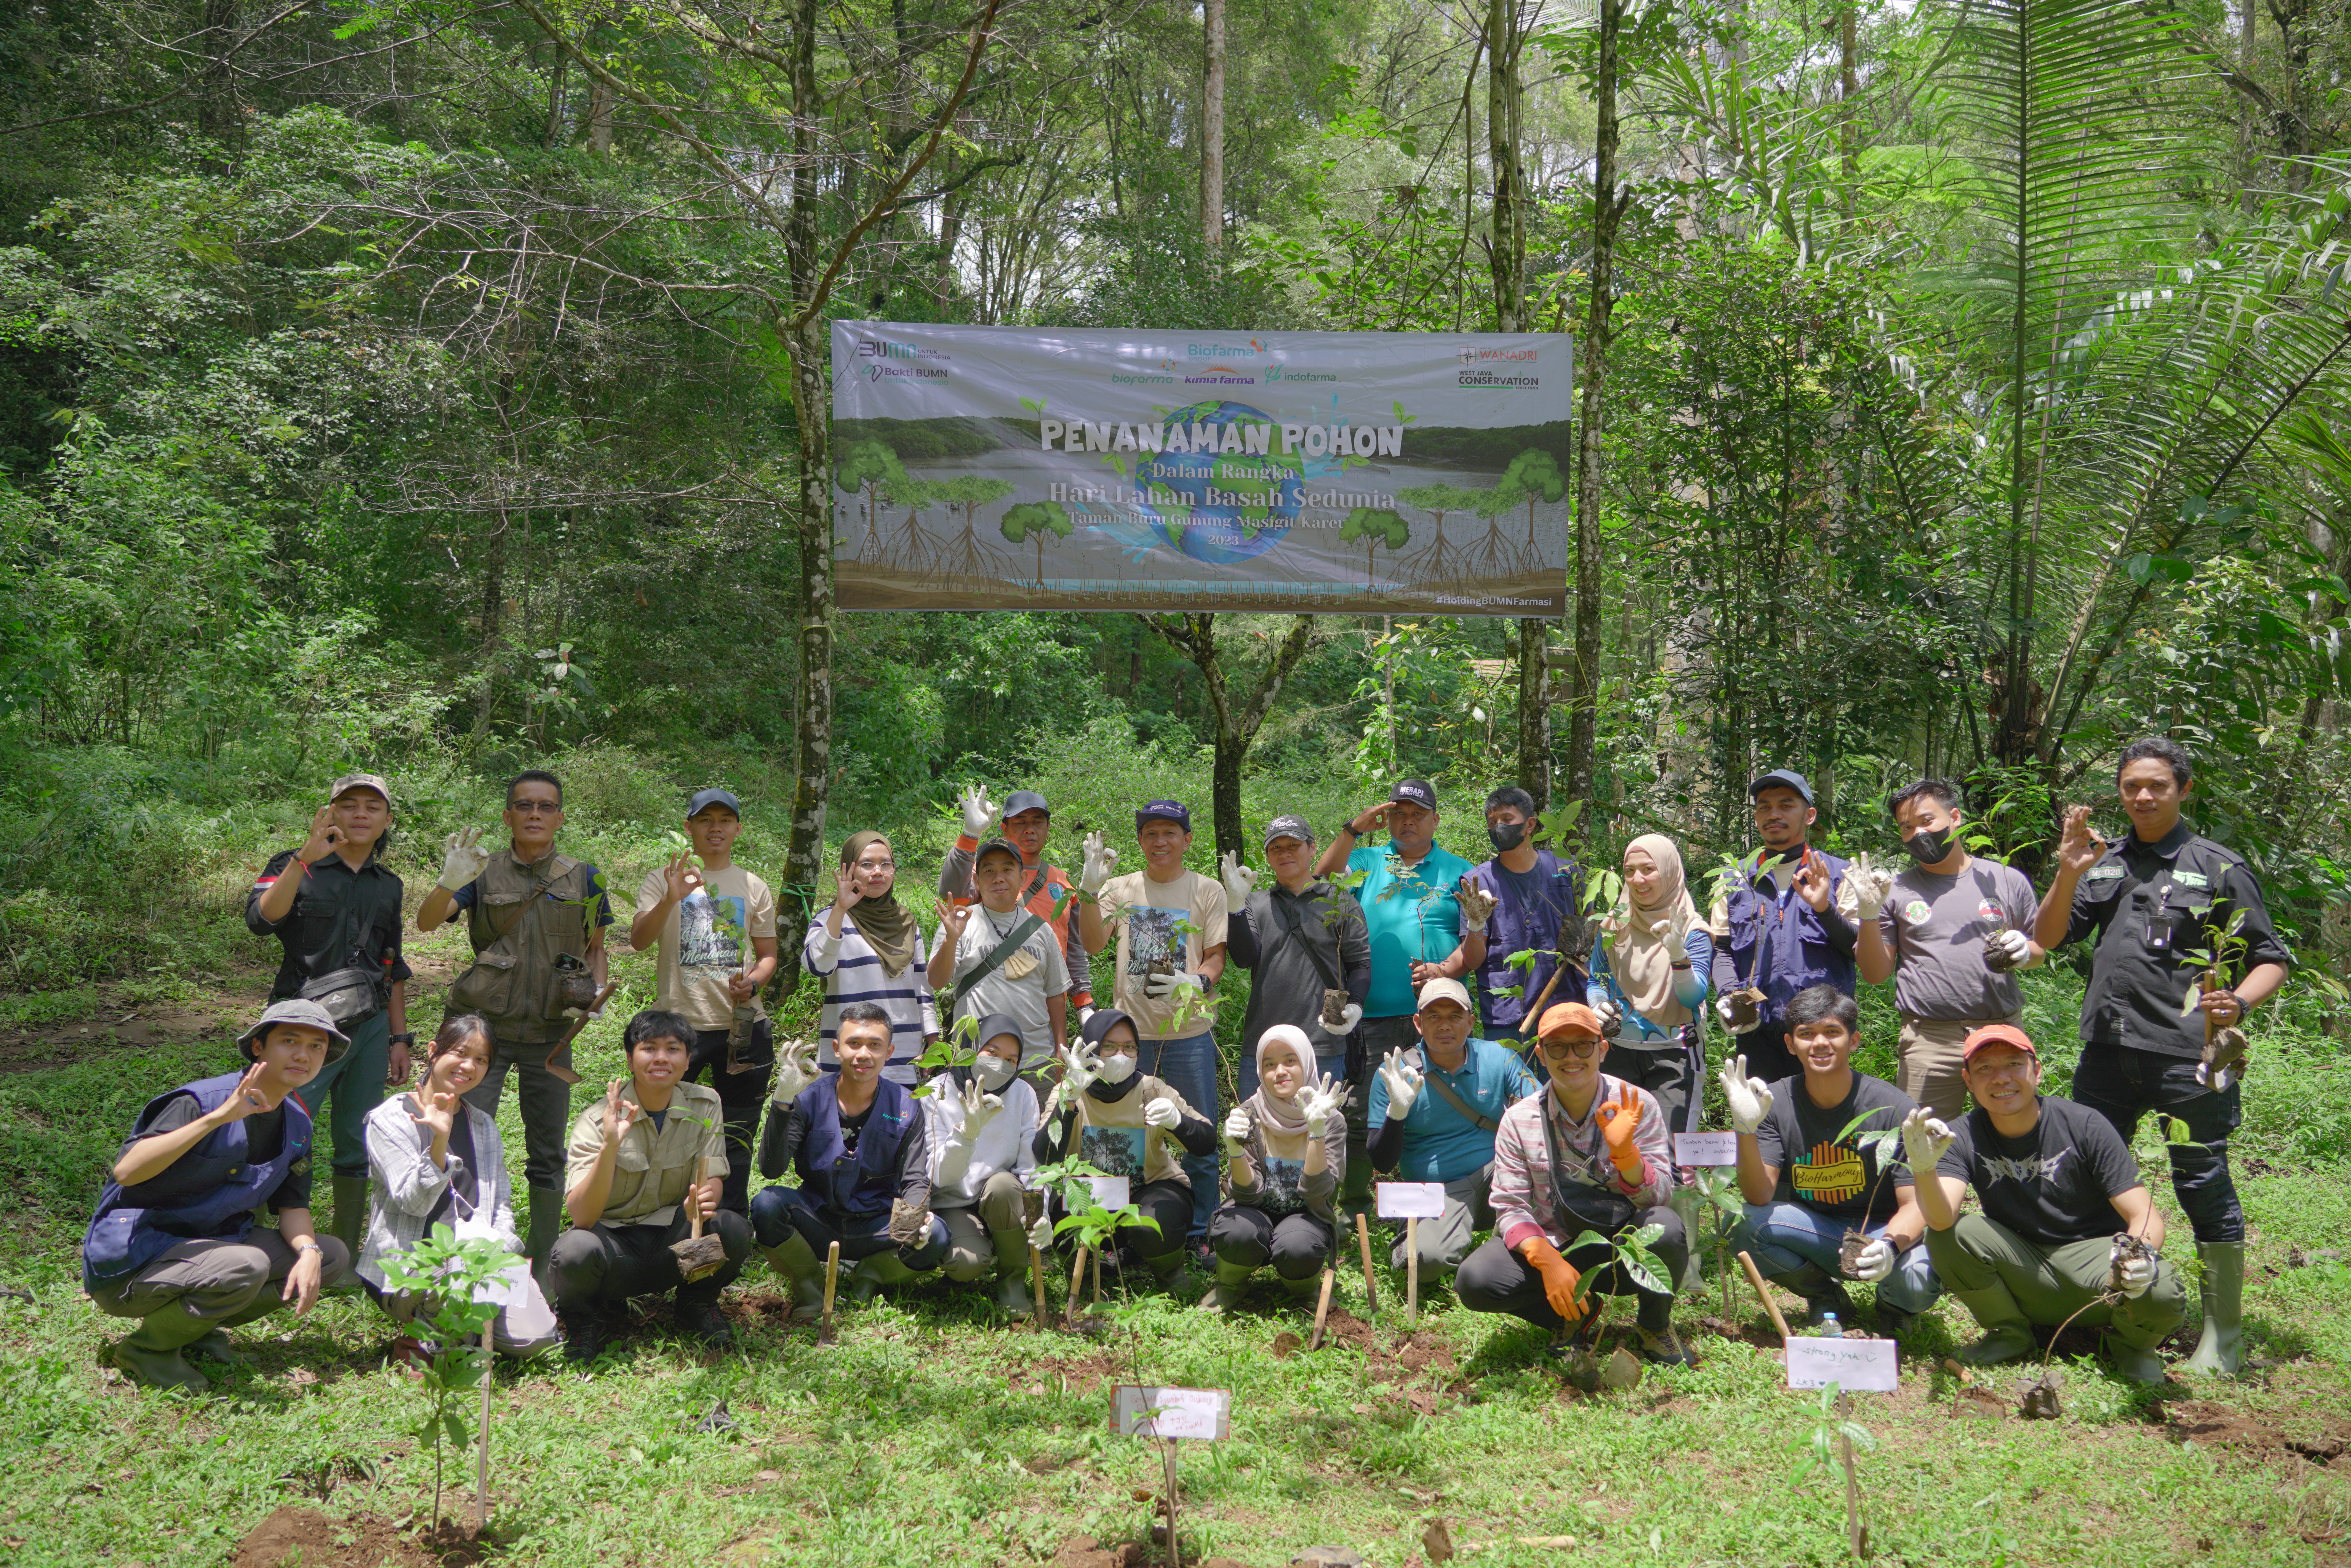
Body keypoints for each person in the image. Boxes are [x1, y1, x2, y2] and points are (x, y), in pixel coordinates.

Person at [2030, 737, 2292, 1376]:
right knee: (2085, 1176)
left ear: (2183, 790)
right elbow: (2048, 937)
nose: (2142, 797)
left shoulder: (2219, 866)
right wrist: (2067, 869)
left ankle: (2221, 1337)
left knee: (2200, 1179)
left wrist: (2239, 1004)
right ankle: (2089, 1308)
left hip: (2188, 1057)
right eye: (2130, 787)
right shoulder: (2104, 862)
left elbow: (2271, 958)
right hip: (2107, 1053)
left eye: (2156, 786)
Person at [82, 1000, 354, 1391]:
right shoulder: (201, 1102)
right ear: (259, 1047)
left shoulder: (297, 1123)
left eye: (317, 1047)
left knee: (330, 1257)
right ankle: (147, 1351)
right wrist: (218, 1120)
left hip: (213, 1248)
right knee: (247, 1265)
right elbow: (127, 1171)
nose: (303, 1054)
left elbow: (293, 1205)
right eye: (290, 1041)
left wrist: (310, 1254)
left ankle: (195, 1329)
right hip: (135, 1260)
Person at [1905, 1024, 2186, 1384]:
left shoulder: (2084, 1124)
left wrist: (2138, 1258)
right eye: (1984, 1069)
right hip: (2023, 1265)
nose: (2000, 1078)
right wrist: (1924, 1169)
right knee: (1950, 1235)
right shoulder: (1960, 1135)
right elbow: (1941, 1219)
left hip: (2097, 1269)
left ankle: (2132, 1347)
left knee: (2161, 1287)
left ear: (2036, 1071)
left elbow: (2144, 1217)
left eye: (2013, 1064)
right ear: (1968, 1081)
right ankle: (2010, 1335)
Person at [418, 770, 614, 1280]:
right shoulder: (482, 872)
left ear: (560, 817)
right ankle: (460, 1249)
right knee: (461, 1137)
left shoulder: (585, 877)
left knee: (548, 1151)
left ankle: (546, 1263)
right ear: (508, 816)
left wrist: (594, 993)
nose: (534, 814)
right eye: (524, 806)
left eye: (546, 807)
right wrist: (449, 879)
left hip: (551, 1034)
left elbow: (596, 949)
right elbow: (425, 922)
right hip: (485, 1033)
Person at [1457, 1002, 1695, 1365]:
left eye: (1582, 1045)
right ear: (1540, 1054)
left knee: (1666, 1227)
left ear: (1602, 1049)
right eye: (1558, 1047)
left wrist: (1627, 1155)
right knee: (1476, 1281)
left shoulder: (1636, 1105)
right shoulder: (1519, 1120)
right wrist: (1545, 1259)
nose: (1571, 1057)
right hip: (1555, 1243)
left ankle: (1653, 1325)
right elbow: (1510, 1206)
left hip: (1622, 1246)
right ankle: (1573, 1314)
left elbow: (1660, 1196)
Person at [244, 772, 414, 1262]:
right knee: (277, 1124)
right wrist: (304, 860)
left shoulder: (389, 885)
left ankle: (341, 1248)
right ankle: (250, 1235)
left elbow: (393, 963)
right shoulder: (295, 864)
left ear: (386, 821)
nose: (361, 814)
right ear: (331, 812)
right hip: (301, 1024)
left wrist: (399, 1036)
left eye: (373, 807)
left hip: (369, 1025)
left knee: (356, 1135)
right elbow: (261, 919)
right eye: (350, 804)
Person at [1722, 985, 1939, 1341]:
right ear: (1791, 1045)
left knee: (1920, 1273)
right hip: (1817, 1230)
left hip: (1881, 1232)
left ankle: (1893, 1307)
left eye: (1832, 1032)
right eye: (1806, 1035)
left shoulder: (1892, 1107)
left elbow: (1915, 1204)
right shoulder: (1774, 1102)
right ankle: (1825, 1296)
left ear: (1852, 1041)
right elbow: (1758, 1195)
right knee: (1744, 1224)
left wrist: (1889, 1246)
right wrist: (1745, 1129)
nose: (1819, 1044)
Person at [550, 1009, 750, 1361]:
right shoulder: (597, 1121)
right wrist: (611, 1146)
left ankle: (696, 1305)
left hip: (673, 1247)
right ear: (630, 1059)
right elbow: (582, 1217)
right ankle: (585, 1320)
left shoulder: (705, 1103)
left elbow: (713, 1176)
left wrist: (700, 1205)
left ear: (688, 1060)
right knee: (573, 1252)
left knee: (731, 1227)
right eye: (649, 1048)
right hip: (613, 1253)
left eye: (673, 1049)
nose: (661, 1058)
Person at [357, 1012, 559, 1360]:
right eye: (461, 1053)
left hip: (480, 1256)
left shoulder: (482, 1125)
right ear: (434, 1051)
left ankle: (455, 1336)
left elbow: (501, 1208)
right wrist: (439, 1141)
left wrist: (499, 1249)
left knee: (536, 1341)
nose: (469, 1066)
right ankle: (429, 1341)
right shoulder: (389, 1119)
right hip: (411, 1263)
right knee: (457, 1273)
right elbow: (413, 1203)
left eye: (481, 1060)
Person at [1077, 800, 1228, 1250]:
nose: (1160, 842)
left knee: (1197, 1134)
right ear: (1141, 840)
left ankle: (1203, 1232)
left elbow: (1217, 956)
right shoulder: (1121, 888)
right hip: (1131, 1041)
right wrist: (1089, 891)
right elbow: (1091, 942)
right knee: (1122, 1137)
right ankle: (1119, 1234)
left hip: (1190, 1036)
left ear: (1187, 839)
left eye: (1170, 833)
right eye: (1151, 834)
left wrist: (1196, 980)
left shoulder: (1207, 890)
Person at [1853, 777, 2044, 1121]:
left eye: (1927, 821)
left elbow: (2039, 950)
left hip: (2001, 1032)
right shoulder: (1893, 891)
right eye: (1906, 828)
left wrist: (2026, 952)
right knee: (1924, 1142)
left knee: (2013, 1131)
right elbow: (1875, 973)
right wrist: (1868, 915)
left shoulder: (2003, 878)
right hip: (1929, 1040)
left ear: (1955, 817)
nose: (1918, 834)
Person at [629, 788, 779, 1215]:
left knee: (736, 1131)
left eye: (725, 820)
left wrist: (752, 982)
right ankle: (668, 1216)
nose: (716, 828)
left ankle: (730, 1221)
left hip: (741, 1029)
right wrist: (671, 898)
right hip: (679, 1029)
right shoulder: (664, 879)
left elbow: (768, 956)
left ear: (738, 829)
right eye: (706, 820)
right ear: (689, 827)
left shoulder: (753, 886)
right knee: (669, 1128)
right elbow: (639, 941)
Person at [751, 1003, 949, 1318]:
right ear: (836, 1048)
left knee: (937, 1236)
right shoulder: (809, 1097)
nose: (863, 1054)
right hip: (818, 1219)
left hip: (877, 1226)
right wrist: (783, 1100)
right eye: (854, 1043)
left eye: (875, 1045)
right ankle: (809, 1284)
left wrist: (916, 1221)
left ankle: (870, 1275)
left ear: (889, 1051)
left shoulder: (906, 1107)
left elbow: (914, 1180)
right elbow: (771, 1169)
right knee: (766, 1205)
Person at [1316, 780, 1484, 1113]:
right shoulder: (1367, 860)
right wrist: (1353, 830)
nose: (1407, 821)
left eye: (1418, 814)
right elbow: (1322, 883)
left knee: (1439, 1110)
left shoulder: (1461, 871)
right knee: (1362, 1113)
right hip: (1369, 1017)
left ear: (1435, 821)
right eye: (1400, 814)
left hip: (1438, 1013)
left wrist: (1441, 970)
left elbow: (1473, 947)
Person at [1222, 816, 1368, 1197]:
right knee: (1256, 1135)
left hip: (1323, 1042)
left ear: (1311, 848)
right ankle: (1260, 1211)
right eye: (1276, 848)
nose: (1285, 854)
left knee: (1321, 1132)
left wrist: (1355, 1007)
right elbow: (1242, 957)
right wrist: (1235, 906)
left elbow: (1360, 964)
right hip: (1264, 1048)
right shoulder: (1255, 903)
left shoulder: (1341, 902)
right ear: (1267, 857)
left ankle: (1319, 1219)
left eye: (1293, 845)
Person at [1363, 978, 1539, 1277]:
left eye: (1455, 1016)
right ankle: (1417, 1235)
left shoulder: (1499, 1057)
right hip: (1437, 1190)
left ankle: (1500, 1243)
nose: (1445, 1025)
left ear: (1471, 1022)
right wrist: (1397, 1112)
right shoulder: (1395, 1074)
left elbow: (1542, 1114)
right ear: (1418, 1023)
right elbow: (1381, 1161)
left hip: (1497, 1174)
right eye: (1434, 1016)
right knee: (1426, 1263)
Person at [1033, 1008, 1217, 1287]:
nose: (1121, 1055)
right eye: (1109, 1046)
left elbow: (1206, 1144)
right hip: (1089, 1195)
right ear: (1091, 1050)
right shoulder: (1070, 1091)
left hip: (1150, 1190)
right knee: (1064, 1219)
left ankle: (1169, 1271)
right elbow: (1045, 1155)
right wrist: (1069, 1100)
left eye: (1130, 1047)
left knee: (1153, 1225)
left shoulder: (1151, 1090)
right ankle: (1088, 1274)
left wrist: (1178, 1122)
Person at [1709, 769, 1854, 1086]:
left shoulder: (1840, 874)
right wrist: (1726, 995)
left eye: (1786, 805)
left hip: (1821, 1034)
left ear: (1809, 815)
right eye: (1764, 807)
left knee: (1822, 1127)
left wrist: (1823, 908)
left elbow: (1854, 945)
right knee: (1763, 1126)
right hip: (1756, 1032)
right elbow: (1721, 950)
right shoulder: (1733, 878)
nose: (1773, 814)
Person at [1202, 1025, 1348, 1312]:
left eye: (1290, 1061)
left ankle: (1303, 1290)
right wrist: (1234, 1150)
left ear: (1306, 1063)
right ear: (1259, 1071)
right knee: (1235, 1231)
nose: (1280, 1071)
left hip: (1306, 1217)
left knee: (1299, 1245)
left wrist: (1316, 1134)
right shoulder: (1249, 1115)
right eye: (1270, 1065)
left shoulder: (1329, 1120)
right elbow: (1247, 1195)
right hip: (1254, 1212)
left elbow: (1318, 1195)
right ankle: (1230, 1286)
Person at [1585, 833, 1714, 1135]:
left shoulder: (1691, 929)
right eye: (1629, 871)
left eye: (1648, 869)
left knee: (1671, 1155)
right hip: (1616, 1051)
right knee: (1617, 1150)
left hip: (1675, 1053)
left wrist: (1676, 954)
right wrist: (1596, 1004)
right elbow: (1597, 978)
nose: (1637, 879)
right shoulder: (1614, 924)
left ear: (1669, 871)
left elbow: (1692, 997)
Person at [924, 1013, 1054, 1313]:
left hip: (1000, 1197)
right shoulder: (936, 1093)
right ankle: (974, 1251)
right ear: (970, 1048)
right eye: (992, 1053)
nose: (1000, 1065)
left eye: (1011, 1060)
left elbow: (1029, 1165)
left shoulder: (1022, 1093)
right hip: (953, 1200)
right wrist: (967, 1135)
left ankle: (1012, 1280)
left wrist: (1041, 1213)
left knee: (1004, 1186)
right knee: (965, 1265)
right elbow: (940, 1175)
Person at [937, 786, 1093, 1019]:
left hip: (1046, 1008)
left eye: (1037, 822)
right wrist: (970, 836)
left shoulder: (1064, 883)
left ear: (1048, 829)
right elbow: (953, 894)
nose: (1030, 830)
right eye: (1020, 822)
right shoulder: (986, 877)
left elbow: (1073, 949)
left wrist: (1084, 1004)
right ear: (1004, 828)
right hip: (989, 1007)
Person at [931, 838, 1071, 1089]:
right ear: (977, 880)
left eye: (1007, 870)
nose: (999, 878)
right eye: (989, 871)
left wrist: (1061, 1050)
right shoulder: (960, 924)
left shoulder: (1041, 930)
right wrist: (951, 939)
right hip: (975, 1059)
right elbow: (937, 981)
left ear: (1023, 879)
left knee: (1036, 1129)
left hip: (1036, 1062)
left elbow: (1055, 994)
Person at [809, 830, 938, 1086]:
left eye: (886, 864)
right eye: (867, 864)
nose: (878, 872)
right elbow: (818, 966)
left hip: (902, 1053)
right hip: (849, 1054)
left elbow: (923, 987)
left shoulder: (907, 923)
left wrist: (933, 1039)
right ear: (849, 870)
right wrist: (840, 909)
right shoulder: (830, 919)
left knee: (897, 1122)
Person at [1466, 786, 1584, 1048]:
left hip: (1569, 1004)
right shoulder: (1478, 883)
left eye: (1507, 820)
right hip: (1509, 1016)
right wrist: (1475, 924)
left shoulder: (1565, 870)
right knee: (1513, 1088)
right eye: (1492, 822)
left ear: (1530, 824)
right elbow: (1473, 961)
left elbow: (1592, 938)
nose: (1499, 828)